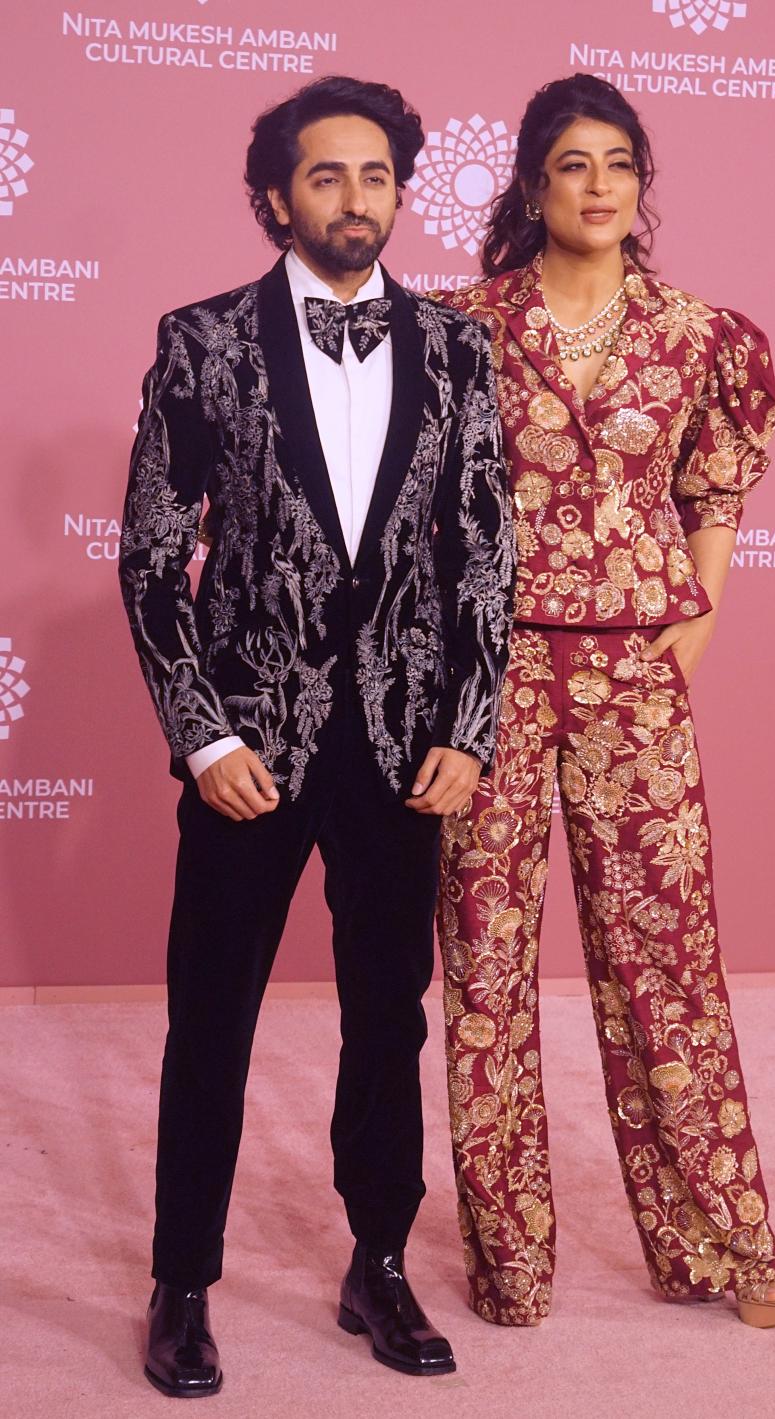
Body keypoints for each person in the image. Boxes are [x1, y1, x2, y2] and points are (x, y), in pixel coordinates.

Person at [119, 75, 515, 1394]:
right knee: (212, 1015)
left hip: (405, 747)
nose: (359, 198)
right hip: (249, 742)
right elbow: (148, 561)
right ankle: (183, 1281)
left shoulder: (459, 350)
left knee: (385, 1015)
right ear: (277, 196)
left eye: (380, 176)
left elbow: (484, 561)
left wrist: (468, 723)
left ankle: (380, 1260)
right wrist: (203, 735)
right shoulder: (204, 340)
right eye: (329, 175)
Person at [434, 74, 775, 1330]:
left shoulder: (702, 334)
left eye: (622, 165)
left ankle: (720, 1242)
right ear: (531, 181)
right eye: (575, 163)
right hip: (485, 678)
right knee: (486, 973)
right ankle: (511, 1262)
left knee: (666, 965)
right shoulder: (456, 328)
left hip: (635, 667)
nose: (600, 186)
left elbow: (718, 492)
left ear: (644, 186)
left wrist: (691, 618)